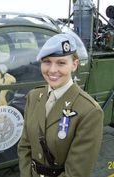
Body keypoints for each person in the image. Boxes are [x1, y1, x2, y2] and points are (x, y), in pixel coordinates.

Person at [18, 33, 104, 177]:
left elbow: (77, 172)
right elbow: (24, 147)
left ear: (74, 65)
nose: (52, 70)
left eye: (61, 63)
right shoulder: (34, 97)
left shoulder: (89, 111)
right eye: (47, 62)